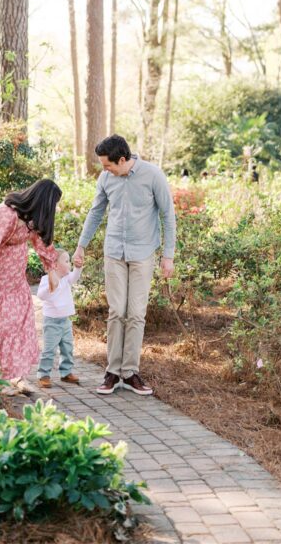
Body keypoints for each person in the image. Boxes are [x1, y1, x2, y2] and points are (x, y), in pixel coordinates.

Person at [73, 134, 176, 397]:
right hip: (114, 252)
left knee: (136, 314)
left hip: (143, 253)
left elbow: (167, 214)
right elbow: (96, 212)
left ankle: (130, 373)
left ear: (122, 160)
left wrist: (168, 255)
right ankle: (112, 372)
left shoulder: (153, 175)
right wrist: (81, 245)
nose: (104, 170)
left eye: (107, 165)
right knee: (116, 311)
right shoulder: (106, 178)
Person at [0, 178, 61, 395]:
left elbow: (41, 241)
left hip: (13, 280)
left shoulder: (31, 219)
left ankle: (15, 376)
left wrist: (51, 268)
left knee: (21, 322)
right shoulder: (5, 214)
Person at [35, 249, 82, 389]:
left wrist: (78, 268)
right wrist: (52, 286)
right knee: (49, 350)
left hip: (65, 321)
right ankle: (43, 375)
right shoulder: (47, 279)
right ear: (55, 265)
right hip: (52, 322)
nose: (69, 264)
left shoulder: (67, 278)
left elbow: (75, 277)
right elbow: (41, 295)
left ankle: (66, 372)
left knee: (67, 348)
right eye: (66, 261)